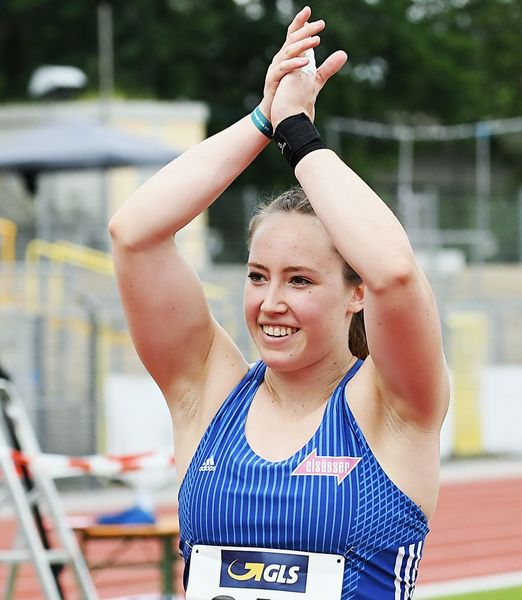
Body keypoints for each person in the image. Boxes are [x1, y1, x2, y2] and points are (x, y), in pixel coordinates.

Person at [109, 6, 449, 599]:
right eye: (258, 276)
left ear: (356, 292)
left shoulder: (393, 404)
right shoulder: (207, 392)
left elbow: (396, 271)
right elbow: (133, 234)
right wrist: (264, 117)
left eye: (300, 281)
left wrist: (299, 135)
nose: (271, 302)